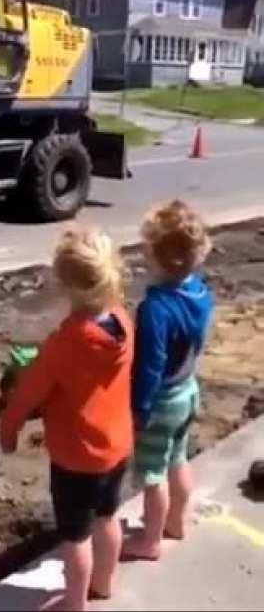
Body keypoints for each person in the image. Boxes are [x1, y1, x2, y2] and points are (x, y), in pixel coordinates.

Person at [0, 228, 134, 612]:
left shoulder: (65, 343)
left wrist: (8, 429)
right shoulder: (123, 323)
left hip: (77, 456)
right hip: (117, 444)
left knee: (75, 537)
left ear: (64, 285)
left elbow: (28, 394)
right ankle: (104, 585)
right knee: (108, 517)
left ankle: (74, 604)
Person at [122, 200, 213, 562]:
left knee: (152, 473)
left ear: (161, 260)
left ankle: (151, 540)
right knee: (178, 458)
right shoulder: (199, 292)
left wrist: (139, 409)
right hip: (187, 390)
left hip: (161, 401)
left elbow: (150, 365)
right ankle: (177, 522)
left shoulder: (156, 307)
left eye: (147, 249)